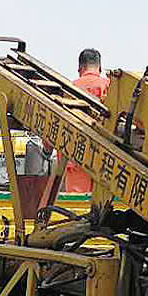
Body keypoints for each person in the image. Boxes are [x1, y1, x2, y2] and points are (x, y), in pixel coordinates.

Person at [64, 48, 111, 193]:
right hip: (106, 161)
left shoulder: (69, 88)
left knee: (77, 207)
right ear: (100, 68)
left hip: (76, 156)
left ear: (80, 68)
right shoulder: (110, 87)